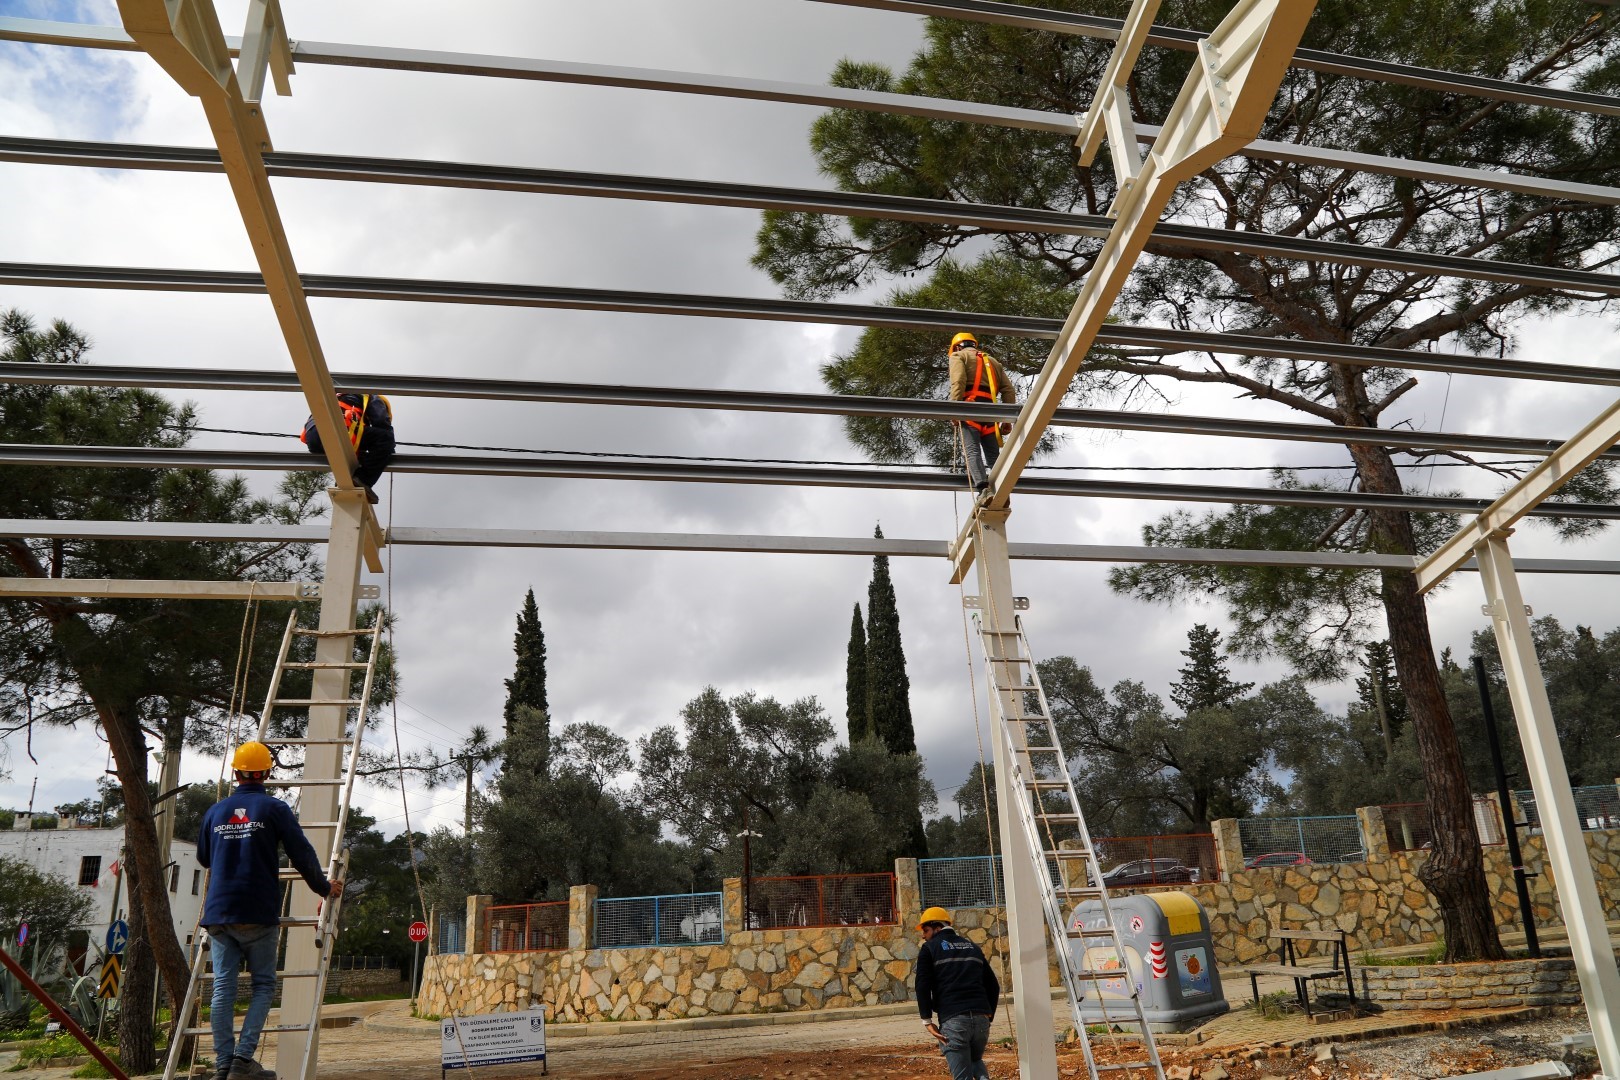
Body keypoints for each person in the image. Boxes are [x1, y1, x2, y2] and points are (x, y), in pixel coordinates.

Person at [196, 742, 344, 1080]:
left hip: (218, 914)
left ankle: (222, 1065)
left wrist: (230, 845)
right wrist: (324, 887)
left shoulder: (215, 812)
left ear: (235, 772)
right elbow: (301, 853)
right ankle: (242, 1061)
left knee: (223, 988)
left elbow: (205, 858)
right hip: (257, 912)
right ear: (266, 773)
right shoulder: (273, 809)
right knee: (263, 985)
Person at [914, 905, 1000, 1080]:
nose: (923, 935)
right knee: (975, 1061)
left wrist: (926, 1020)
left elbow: (922, 985)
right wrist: (987, 1015)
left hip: (954, 1021)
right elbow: (993, 985)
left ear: (937, 927)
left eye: (926, 930)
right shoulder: (972, 947)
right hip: (981, 1019)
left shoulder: (929, 948)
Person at [947, 332, 1017, 501]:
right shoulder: (993, 362)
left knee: (972, 451)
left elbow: (959, 381)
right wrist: (1007, 419)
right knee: (993, 455)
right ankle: (1001, 492)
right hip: (990, 413)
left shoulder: (958, 355)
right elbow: (1008, 390)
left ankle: (984, 490)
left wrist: (955, 408)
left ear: (957, 346)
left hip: (970, 409)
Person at [301, 392, 395, 504]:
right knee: (385, 438)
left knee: (359, 450)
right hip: (339, 431)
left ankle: (348, 478)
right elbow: (381, 422)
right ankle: (362, 480)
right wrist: (387, 450)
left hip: (313, 439)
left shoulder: (339, 397)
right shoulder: (374, 398)